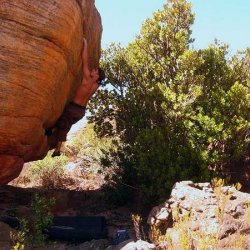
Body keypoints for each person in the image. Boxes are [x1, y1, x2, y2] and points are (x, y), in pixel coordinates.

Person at [47, 38, 105, 157]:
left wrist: (85, 44)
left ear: (96, 75)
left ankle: (58, 150)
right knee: (64, 126)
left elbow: (84, 60)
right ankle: (52, 131)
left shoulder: (87, 79)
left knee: (64, 127)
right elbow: (100, 80)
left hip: (73, 109)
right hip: (81, 112)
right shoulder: (95, 85)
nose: (92, 70)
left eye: (95, 70)